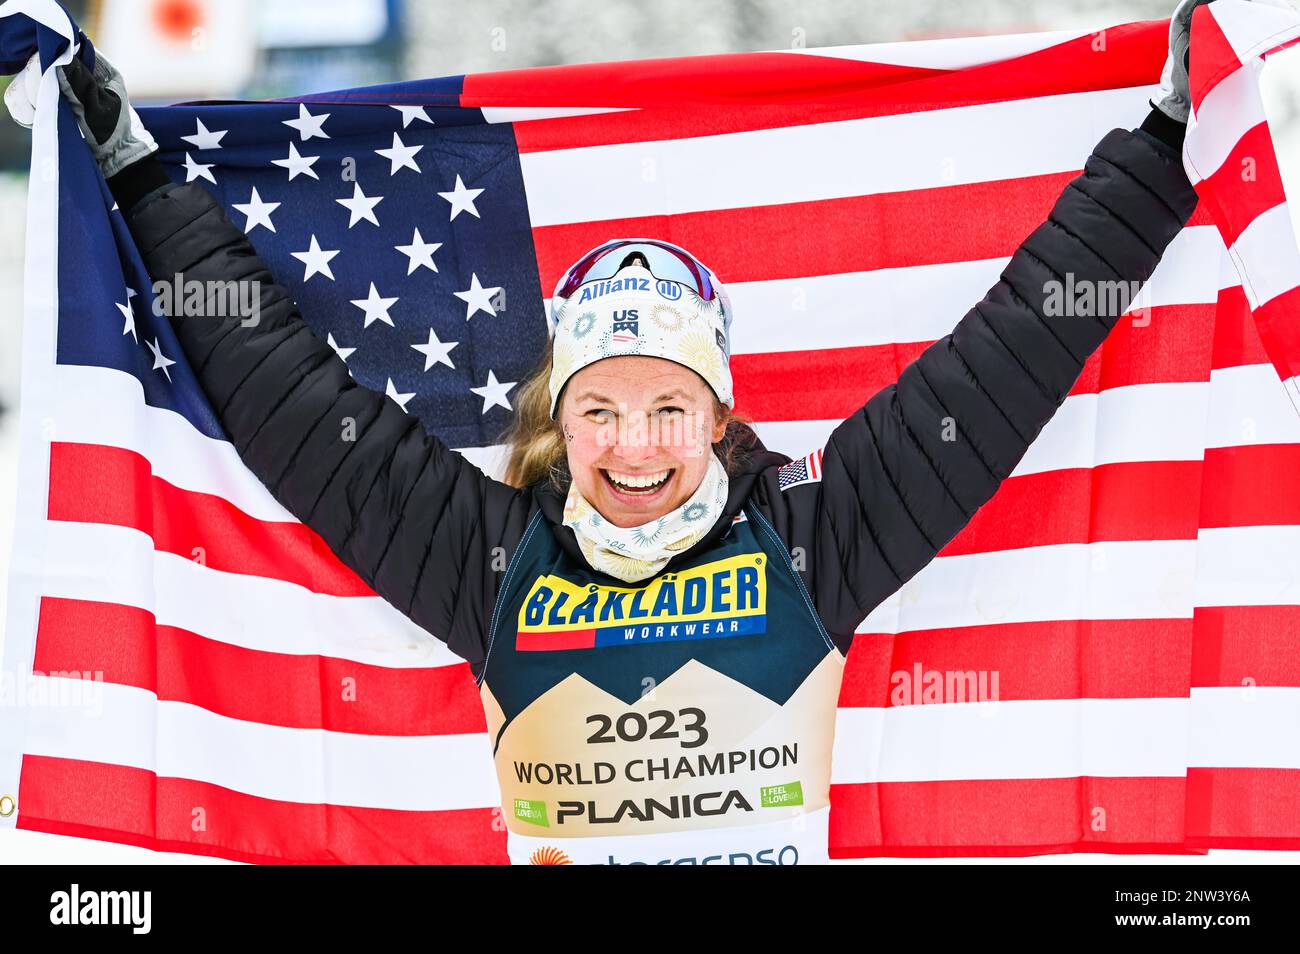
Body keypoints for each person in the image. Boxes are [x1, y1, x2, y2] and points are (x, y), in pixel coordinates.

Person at [25, 1, 1209, 865]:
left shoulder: (813, 540)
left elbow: (1010, 359)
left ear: (717, 415)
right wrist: (134, 174)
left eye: (666, 410)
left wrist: (1159, 148)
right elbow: (290, 403)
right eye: (599, 409)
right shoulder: (492, 564)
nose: (634, 447)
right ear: (559, 415)